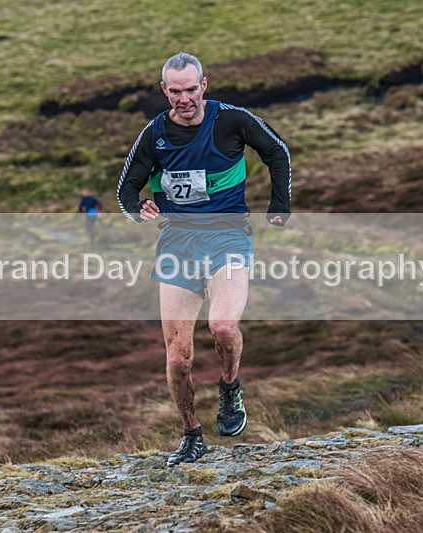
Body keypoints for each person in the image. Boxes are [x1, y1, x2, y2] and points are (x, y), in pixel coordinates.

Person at [117, 53, 291, 466]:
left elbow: (277, 150)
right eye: (175, 91)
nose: (184, 99)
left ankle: (230, 387)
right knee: (178, 359)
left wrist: (279, 204)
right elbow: (126, 188)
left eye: (191, 89)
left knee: (224, 325)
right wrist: (138, 207)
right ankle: (191, 434)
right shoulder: (153, 134)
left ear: (204, 85)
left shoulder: (231, 120)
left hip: (228, 238)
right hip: (177, 245)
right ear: (165, 91)